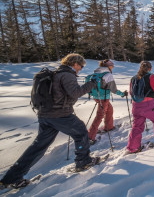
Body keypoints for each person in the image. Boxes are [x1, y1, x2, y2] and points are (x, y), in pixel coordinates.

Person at [0, 53, 97, 189]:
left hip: (45, 115)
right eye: (80, 66)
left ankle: (12, 177)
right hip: (60, 114)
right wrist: (91, 84)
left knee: (38, 146)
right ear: (74, 63)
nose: (80, 68)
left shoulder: (56, 73)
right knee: (80, 132)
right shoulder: (67, 74)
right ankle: (83, 161)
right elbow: (75, 93)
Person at [126, 61, 154, 153]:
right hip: (149, 104)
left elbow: (131, 92)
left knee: (137, 126)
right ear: (150, 68)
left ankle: (133, 148)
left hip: (136, 105)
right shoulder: (150, 76)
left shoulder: (133, 78)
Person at [87, 59, 127, 145]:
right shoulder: (107, 74)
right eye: (112, 66)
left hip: (97, 97)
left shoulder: (96, 73)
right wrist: (122, 94)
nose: (112, 68)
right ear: (108, 66)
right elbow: (113, 89)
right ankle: (90, 137)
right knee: (99, 116)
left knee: (109, 110)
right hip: (104, 98)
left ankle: (109, 127)